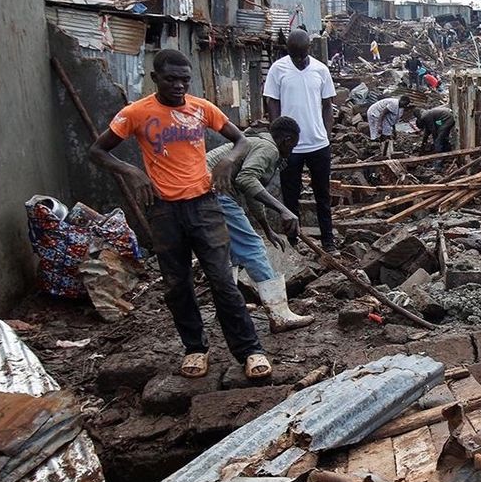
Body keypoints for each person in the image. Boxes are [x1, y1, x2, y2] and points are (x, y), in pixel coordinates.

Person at [89, 49, 271, 381]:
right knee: (177, 284)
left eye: (184, 80)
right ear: (155, 78)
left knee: (222, 280)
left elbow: (241, 140)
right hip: (163, 210)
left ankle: (250, 350)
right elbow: (98, 151)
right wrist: (132, 171)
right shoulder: (136, 113)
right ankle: (195, 349)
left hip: (204, 204)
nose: (178, 86)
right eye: (171, 79)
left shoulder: (201, 109)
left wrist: (229, 160)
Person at [206, 116, 315, 333]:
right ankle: (280, 314)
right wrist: (283, 210)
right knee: (252, 247)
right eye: (292, 146)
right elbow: (247, 180)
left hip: (204, 189)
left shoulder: (258, 142)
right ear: (286, 140)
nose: (292, 151)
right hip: (214, 191)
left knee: (231, 252)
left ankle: (228, 308)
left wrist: (268, 229)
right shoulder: (269, 148)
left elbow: (251, 193)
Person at [263, 29, 338, 252]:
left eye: (301, 55)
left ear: (309, 49)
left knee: (323, 195)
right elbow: (272, 102)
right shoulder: (278, 69)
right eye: (293, 55)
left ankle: (328, 241)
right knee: (290, 195)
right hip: (290, 148)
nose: (298, 59)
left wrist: (326, 134)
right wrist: (277, 136)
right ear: (288, 51)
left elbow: (327, 105)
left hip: (318, 144)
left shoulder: (321, 70)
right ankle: (294, 242)